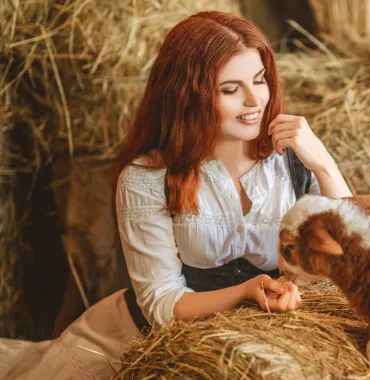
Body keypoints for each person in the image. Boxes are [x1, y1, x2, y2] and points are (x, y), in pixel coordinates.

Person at [0, 10, 352, 379]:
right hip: (150, 343)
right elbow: (161, 303)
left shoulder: (292, 157)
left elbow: (357, 256)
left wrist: (326, 165)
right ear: (188, 97)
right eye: (230, 89)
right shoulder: (147, 177)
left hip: (268, 346)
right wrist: (246, 292)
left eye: (259, 80)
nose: (255, 101)